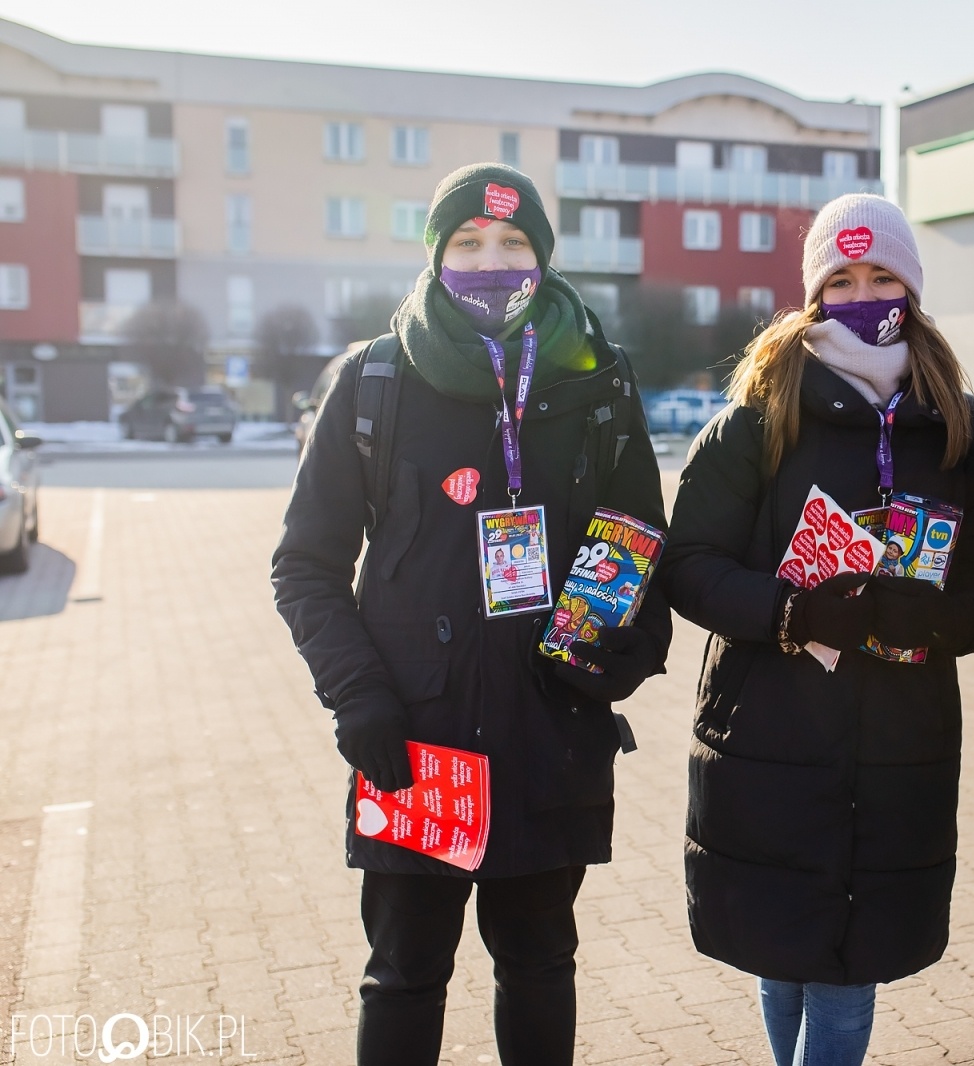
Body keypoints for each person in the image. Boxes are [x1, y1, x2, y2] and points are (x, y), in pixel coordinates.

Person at [271, 162, 670, 1066]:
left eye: (514, 242)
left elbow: (639, 536)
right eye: (468, 243)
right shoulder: (377, 381)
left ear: (544, 253)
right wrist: (360, 701)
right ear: (436, 254)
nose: (492, 261)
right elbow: (305, 565)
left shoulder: (594, 380)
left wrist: (618, 652)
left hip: (549, 737)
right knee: (405, 977)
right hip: (416, 747)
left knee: (538, 968)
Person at [661, 194, 974, 1066]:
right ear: (813, 293)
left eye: (882, 274)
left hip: (901, 744)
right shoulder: (757, 416)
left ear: (912, 288)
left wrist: (925, 618)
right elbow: (689, 564)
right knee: (781, 959)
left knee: (850, 973)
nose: (863, 292)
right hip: (770, 733)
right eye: (842, 278)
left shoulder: (957, 425)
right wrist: (791, 611)